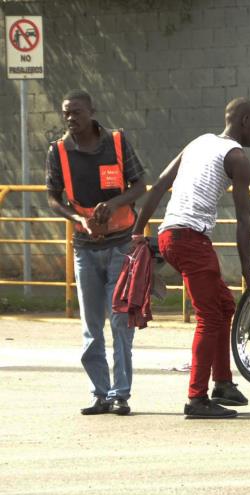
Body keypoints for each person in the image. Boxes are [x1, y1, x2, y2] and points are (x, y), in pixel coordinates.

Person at [132, 98, 250, 419]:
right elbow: (244, 220)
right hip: (189, 238)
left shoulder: (201, 141)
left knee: (224, 306)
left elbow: (160, 185)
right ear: (244, 120)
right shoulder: (238, 158)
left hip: (170, 234)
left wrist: (137, 230)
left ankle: (223, 384)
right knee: (210, 317)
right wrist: (247, 271)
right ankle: (197, 398)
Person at [46, 90, 146, 416]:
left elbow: (140, 185)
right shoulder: (59, 151)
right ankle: (100, 393)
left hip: (121, 244)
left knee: (120, 322)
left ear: (92, 111)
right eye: (66, 114)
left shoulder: (117, 143)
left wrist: (114, 203)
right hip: (85, 250)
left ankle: (121, 394)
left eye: (76, 112)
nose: (71, 119)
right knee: (91, 326)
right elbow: (53, 197)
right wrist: (77, 219)